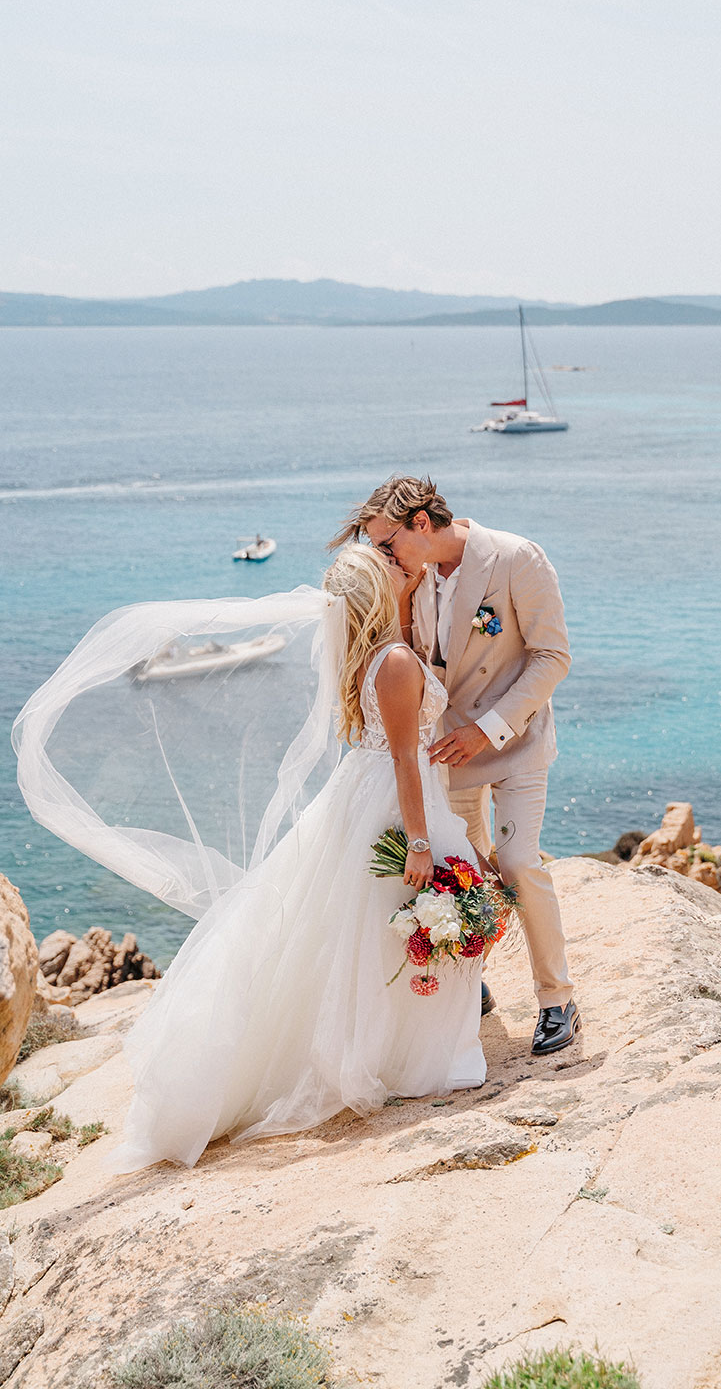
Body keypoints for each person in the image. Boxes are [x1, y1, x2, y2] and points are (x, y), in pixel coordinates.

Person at [14, 546, 486, 1172]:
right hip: (396, 800)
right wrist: (422, 843)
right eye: (392, 567)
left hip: (374, 793)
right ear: (376, 591)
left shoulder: (372, 656)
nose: (405, 566)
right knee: (394, 923)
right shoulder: (395, 661)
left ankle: (393, 1049)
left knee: (367, 930)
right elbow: (405, 756)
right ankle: (399, 1055)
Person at [331, 476, 579, 1056]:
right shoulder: (410, 578)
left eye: (387, 544)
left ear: (421, 523)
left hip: (512, 742)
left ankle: (556, 998)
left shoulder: (517, 558)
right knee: (459, 873)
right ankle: (470, 987)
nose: (383, 558)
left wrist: (486, 729)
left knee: (516, 861)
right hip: (446, 751)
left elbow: (553, 657)